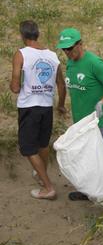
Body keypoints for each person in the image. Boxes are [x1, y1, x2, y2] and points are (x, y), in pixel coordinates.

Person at [10, 20, 66, 200]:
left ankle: (48, 187)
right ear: (38, 34)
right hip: (46, 106)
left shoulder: (21, 54)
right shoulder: (53, 56)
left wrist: (15, 85)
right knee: (42, 143)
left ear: (23, 35)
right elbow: (61, 85)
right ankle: (42, 176)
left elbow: (15, 86)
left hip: (29, 106)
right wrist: (61, 105)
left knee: (27, 148)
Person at [56, 28, 103, 147]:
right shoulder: (70, 63)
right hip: (79, 123)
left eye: (69, 48)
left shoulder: (94, 63)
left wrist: (102, 102)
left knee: (100, 161)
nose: (67, 52)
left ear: (80, 44)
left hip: (97, 123)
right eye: (64, 49)